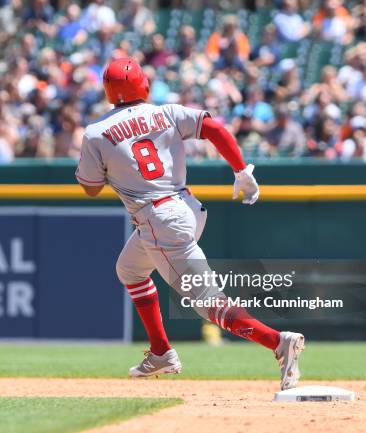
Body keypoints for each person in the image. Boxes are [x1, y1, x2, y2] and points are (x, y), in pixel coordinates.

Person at [75, 58, 305, 390]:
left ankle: (277, 341)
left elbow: (91, 188)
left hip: (158, 219)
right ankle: (160, 352)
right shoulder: (167, 112)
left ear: (108, 91)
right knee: (129, 269)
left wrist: (109, 166)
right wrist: (241, 171)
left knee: (209, 303)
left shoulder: (96, 132)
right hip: (186, 209)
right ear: (145, 85)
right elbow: (213, 128)